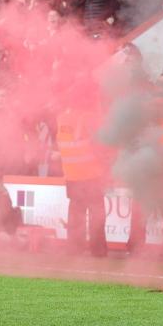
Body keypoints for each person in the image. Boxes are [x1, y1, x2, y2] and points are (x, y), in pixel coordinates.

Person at [55, 105, 108, 257]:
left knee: (76, 214)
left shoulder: (61, 118)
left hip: (72, 175)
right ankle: (98, 251)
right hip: (91, 174)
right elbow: (99, 143)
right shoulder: (87, 117)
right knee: (97, 214)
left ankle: (73, 248)